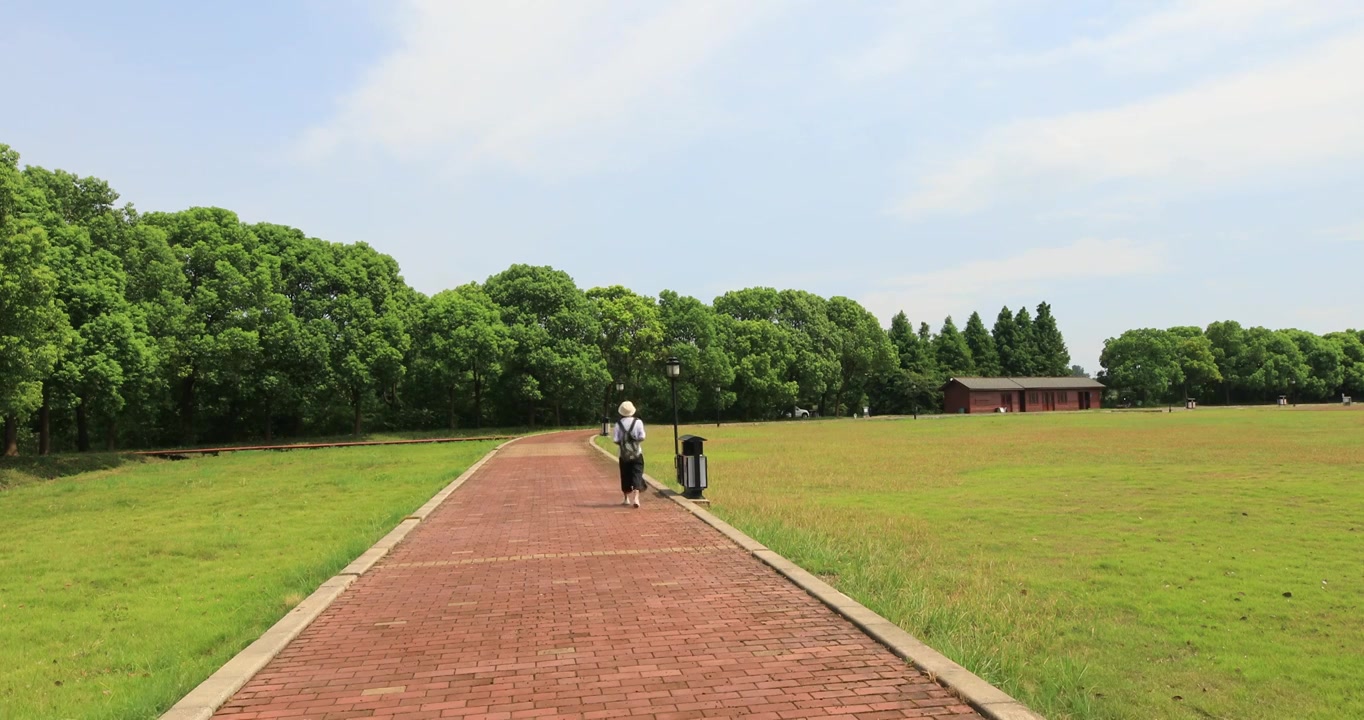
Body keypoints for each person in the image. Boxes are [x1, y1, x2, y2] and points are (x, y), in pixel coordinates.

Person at [613, 401, 646, 508]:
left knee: (625, 474)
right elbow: (642, 437)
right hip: (637, 453)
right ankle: (636, 497)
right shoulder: (638, 422)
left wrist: (623, 443)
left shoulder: (618, 424)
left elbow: (615, 439)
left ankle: (626, 498)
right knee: (637, 473)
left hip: (623, 455)